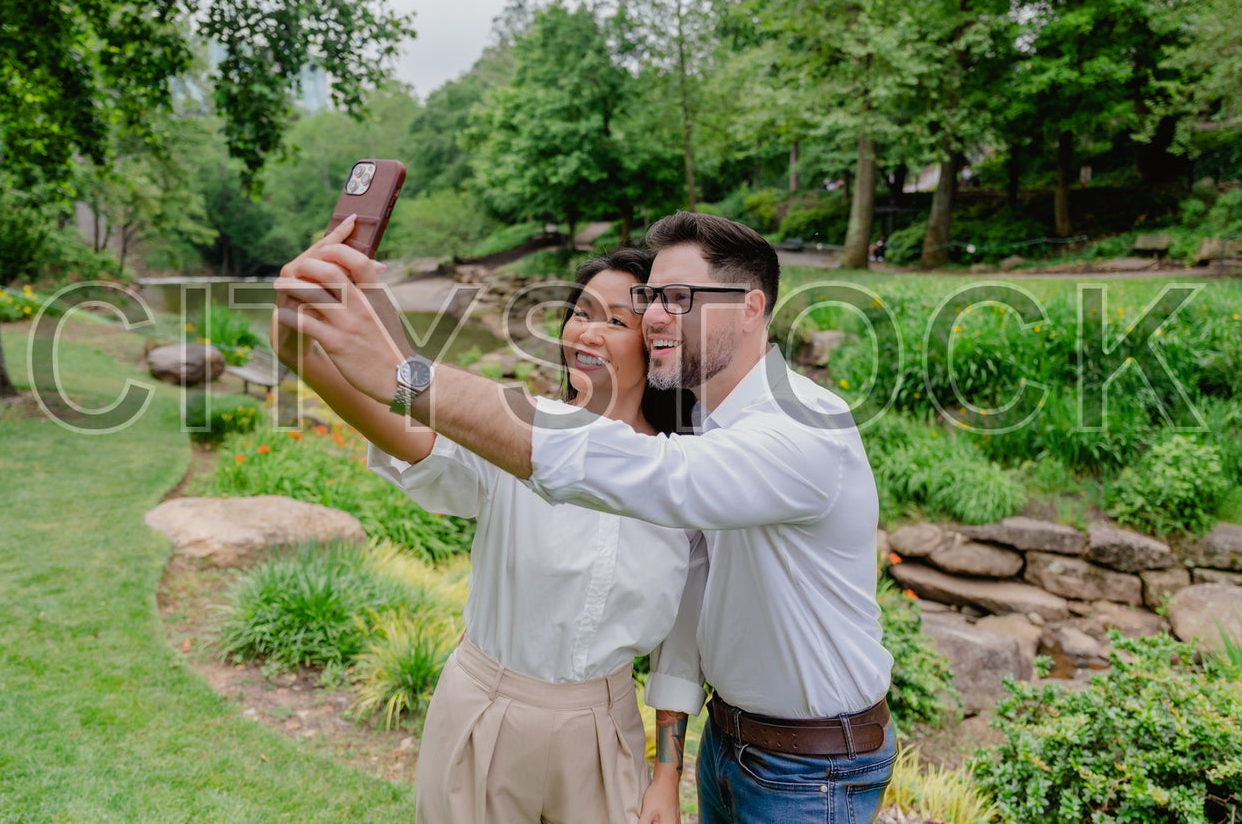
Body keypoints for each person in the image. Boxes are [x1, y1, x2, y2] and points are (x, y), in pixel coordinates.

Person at [277, 211, 895, 824]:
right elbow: (416, 433)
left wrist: (402, 375)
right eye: (651, 300)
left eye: (673, 299)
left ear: (750, 308)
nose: (655, 315)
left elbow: (658, 488)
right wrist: (303, 340)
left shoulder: (790, 431)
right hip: (717, 750)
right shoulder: (704, 430)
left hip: (803, 769)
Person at [274, 231, 699, 824]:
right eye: (580, 313)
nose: (586, 333)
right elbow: (407, 428)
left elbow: (678, 653)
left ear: (656, 343)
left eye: (617, 321)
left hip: (607, 728)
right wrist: (300, 353)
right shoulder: (515, 430)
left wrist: (666, 779)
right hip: (484, 710)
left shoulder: (689, 477)